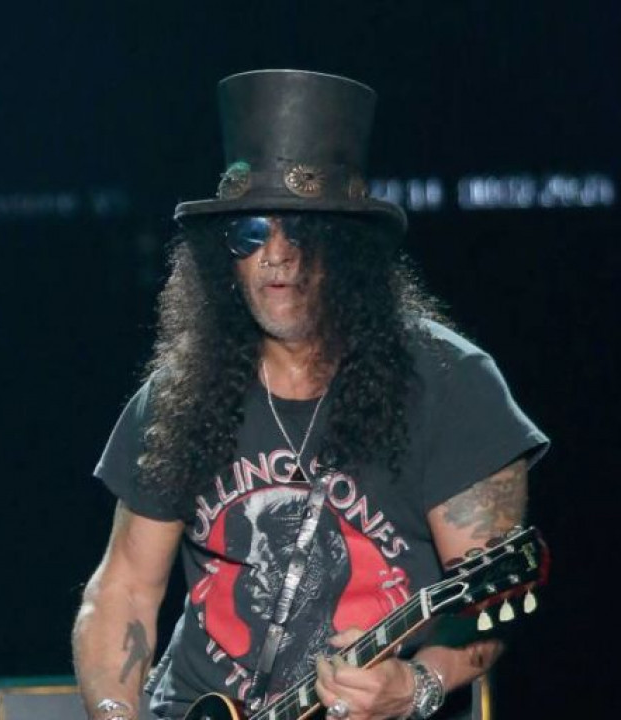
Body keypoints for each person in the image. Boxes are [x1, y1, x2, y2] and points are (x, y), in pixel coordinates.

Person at [71, 70, 547, 720]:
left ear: (347, 249)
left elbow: (492, 603)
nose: (276, 253)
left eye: (301, 230)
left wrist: (417, 687)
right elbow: (122, 590)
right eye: (249, 233)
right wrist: (114, 711)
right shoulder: (181, 392)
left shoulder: (449, 383)